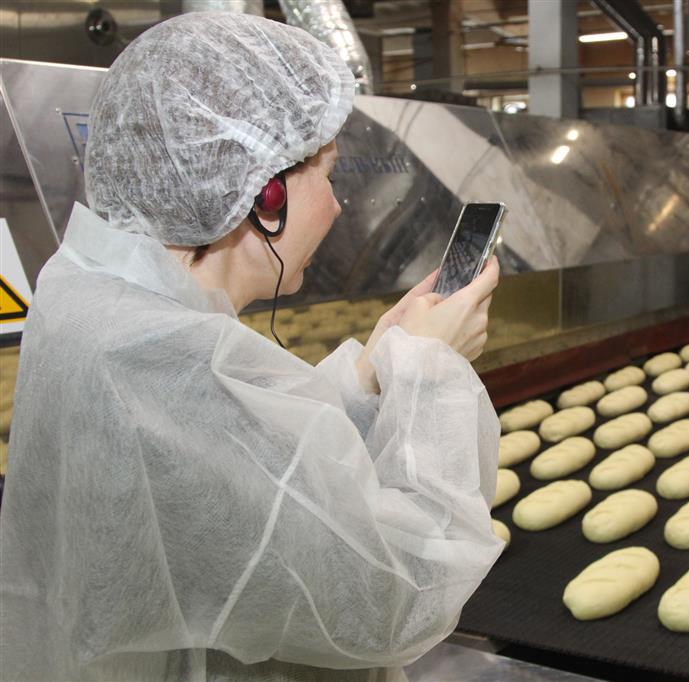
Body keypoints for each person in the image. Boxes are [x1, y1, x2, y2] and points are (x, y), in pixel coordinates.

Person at [0, 12, 503, 682]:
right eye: (329, 176)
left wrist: (373, 369)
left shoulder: (99, 298)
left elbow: (254, 470)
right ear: (263, 193)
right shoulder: (158, 361)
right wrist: (431, 372)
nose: (338, 207)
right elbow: (395, 600)